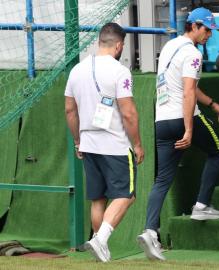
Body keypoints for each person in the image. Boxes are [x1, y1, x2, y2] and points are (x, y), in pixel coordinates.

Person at [137, 7, 219, 261]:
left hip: (162, 120)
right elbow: (188, 92)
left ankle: (150, 231)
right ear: (195, 26)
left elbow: (188, 87)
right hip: (181, 118)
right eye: (207, 29)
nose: (210, 34)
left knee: (162, 178)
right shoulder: (193, 54)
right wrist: (189, 128)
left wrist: (214, 104)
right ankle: (201, 206)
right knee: (218, 150)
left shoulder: (170, 46)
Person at [65, 22, 144, 262]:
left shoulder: (76, 70)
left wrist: (78, 140)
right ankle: (100, 240)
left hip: (88, 142)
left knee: (98, 198)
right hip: (115, 144)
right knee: (126, 195)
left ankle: (101, 249)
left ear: (100, 42)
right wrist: (138, 144)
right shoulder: (119, 71)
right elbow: (128, 112)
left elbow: (70, 110)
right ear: (119, 45)